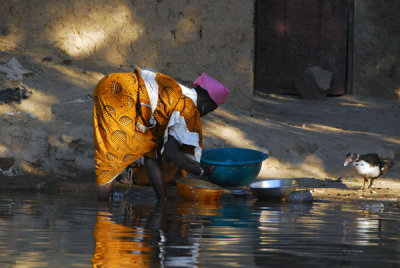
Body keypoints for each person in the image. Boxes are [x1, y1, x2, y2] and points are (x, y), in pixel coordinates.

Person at [93, 68, 229, 201]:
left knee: (151, 150)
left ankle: (161, 199)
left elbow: (153, 157)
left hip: (110, 83)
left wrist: (163, 199)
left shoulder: (177, 93)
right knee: (113, 156)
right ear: (206, 104)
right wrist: (200, 171)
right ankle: (102, 212)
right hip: (119, 93)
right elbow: (171, 151)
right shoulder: (188, 108)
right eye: (210, 110)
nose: (204, 115)